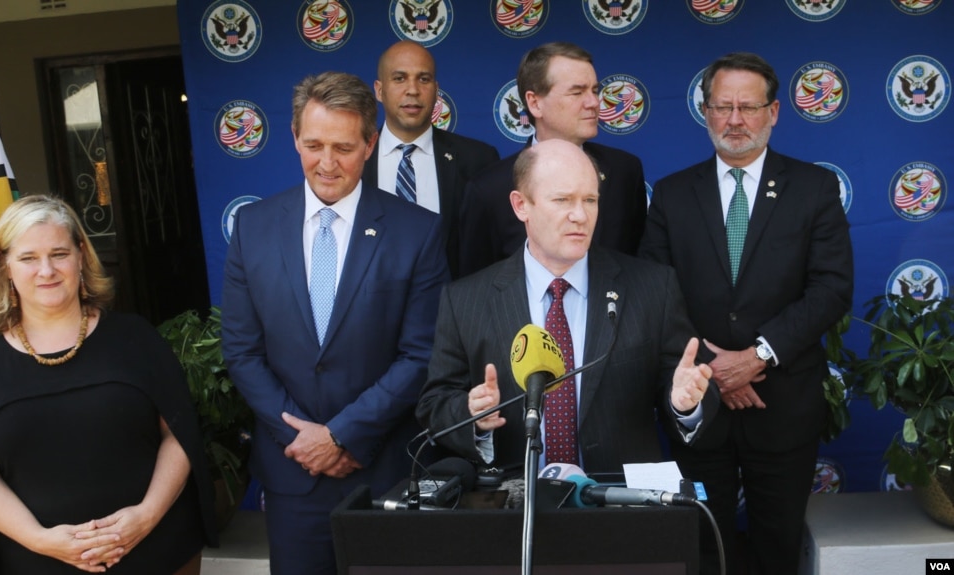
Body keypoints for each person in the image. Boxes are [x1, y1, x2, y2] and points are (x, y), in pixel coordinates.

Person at [221, 71, 448, 575]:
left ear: (370, 144)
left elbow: (421, 354)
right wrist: (306, 443)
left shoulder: (416, 232)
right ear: (294, 139)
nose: (327, 164)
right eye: (314, 145)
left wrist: (342, 436)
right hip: (293, 474)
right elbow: (241, 350)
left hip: (383, 472)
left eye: (343, 147)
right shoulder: (253, 228)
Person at [638, 52, 854, 575]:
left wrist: (758, 356)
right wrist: (719, 369)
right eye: (723, 106)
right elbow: (655, 291)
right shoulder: (671, 194)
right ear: (706, 111)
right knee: (702, 549)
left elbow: (832, 288)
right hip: (700, 407)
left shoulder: (814, 189)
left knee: (777, 549)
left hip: (782, 407)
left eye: (748, 107)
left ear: (774, 112)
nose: (735, 120)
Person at [0, 195, 217, 574]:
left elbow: (180, 437)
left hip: (157, 552)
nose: (46, 270)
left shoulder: (135, 338)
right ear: (5, 266)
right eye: (28, 258)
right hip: (36, 562)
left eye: (59, 253)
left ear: (81, 255)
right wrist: (40, 539)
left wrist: (145, 516)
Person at [416, 139, 718, 477]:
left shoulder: (652, 288)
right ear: (521, 206)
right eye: (562, 200)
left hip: (619, 507)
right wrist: (473, 415)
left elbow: (690, 384)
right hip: (513, 510)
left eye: (590, 200)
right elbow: (436, 404)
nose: (580, 215)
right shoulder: (466, 300)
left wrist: (684, 404)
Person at [457, 42, 647, 278]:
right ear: (535, 103)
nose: (593, 103)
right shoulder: (489, 188)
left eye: (594, 90)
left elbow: (641, 272)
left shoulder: (625, 172)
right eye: (577, 92)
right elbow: (474, 290)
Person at [363, 40, 500, 276]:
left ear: (436, 90)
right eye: (399, 78)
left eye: (423, 79)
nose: (413, 90)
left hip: (452, 309)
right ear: (379, 90)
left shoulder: (479, 160)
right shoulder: (354, 160)